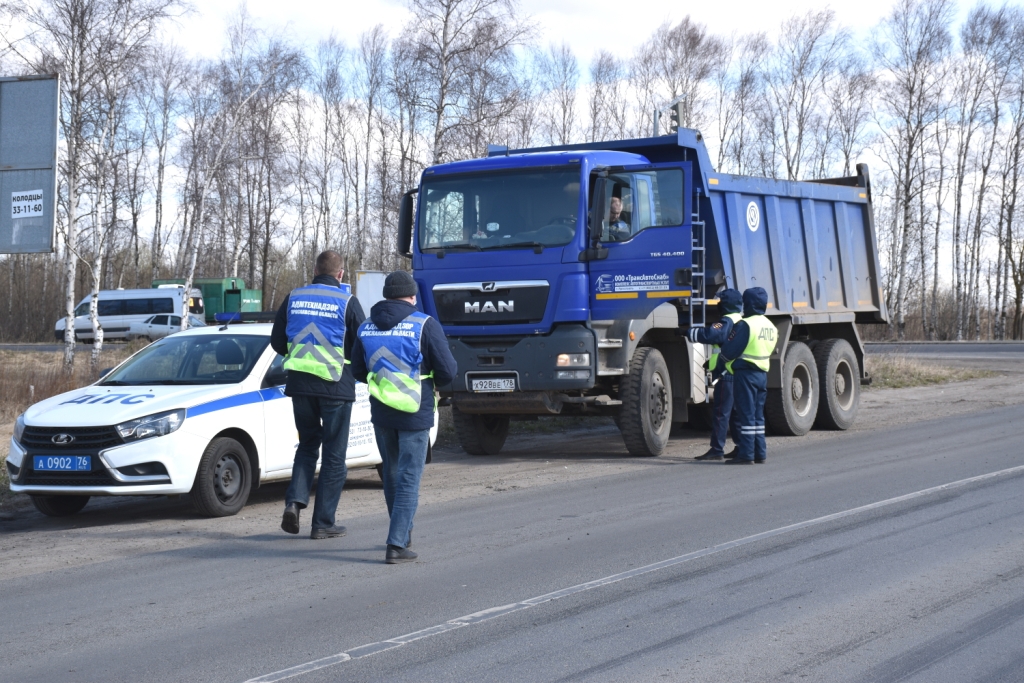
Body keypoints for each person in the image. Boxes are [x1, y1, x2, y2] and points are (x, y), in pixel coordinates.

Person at [351, 270, 457, 564]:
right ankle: (397, 544)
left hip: (382, 410)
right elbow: (448, 371)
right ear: (412, 297)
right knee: (410, 476)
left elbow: (357, 370)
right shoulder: (424, 324)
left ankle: (402, 533)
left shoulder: (367, 327)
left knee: (392, 474)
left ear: (386, 296)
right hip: (414, 411)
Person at [271, 250, 366, 538]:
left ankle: (294, 503)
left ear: (314, 270)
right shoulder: (347, 302)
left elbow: (277, 341)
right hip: (335, 386)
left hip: (300, 385)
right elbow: (361, 344)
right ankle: (323, 523)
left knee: (308, 445)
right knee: (335, 455)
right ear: (341, 274)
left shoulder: (294, 298)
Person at [718, 287, 778, 465]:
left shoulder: (746, 324)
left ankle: (746, 454)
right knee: (758, 417)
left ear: (749, 304)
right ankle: (760, 453)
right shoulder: (770, 326)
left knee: (746, 415)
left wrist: (724, 362)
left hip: (745, 374)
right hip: (762, 374)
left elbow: (729, 350)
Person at [687, 289, 744, 461]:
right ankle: (741, 446)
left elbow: (710, 334)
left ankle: (717, 449)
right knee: (735, 413)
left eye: (720, 303)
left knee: (720, 413)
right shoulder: (742, 321)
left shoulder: (726, 321)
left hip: (726, 376)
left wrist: (688, 333)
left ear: (725, 305)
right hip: (738, 375)